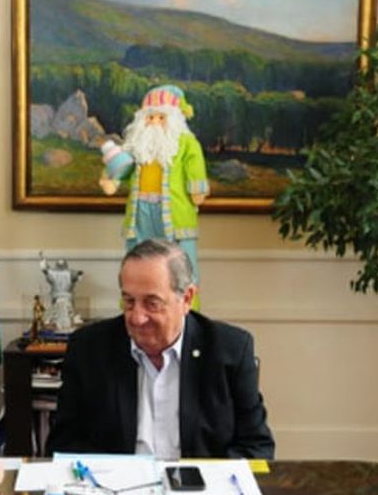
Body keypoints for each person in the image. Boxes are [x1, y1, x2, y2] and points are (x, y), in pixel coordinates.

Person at [49, 238, 273, 460]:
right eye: (129, 301)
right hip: (114, 491)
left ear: (186, 299)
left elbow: (256, 446)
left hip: (199, 491)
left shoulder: (229, 349)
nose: (137, 318)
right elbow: (63, 444)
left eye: (152, 303)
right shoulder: (89, 348)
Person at [99, 84, 209, 294]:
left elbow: (194, 165)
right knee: (138, 256)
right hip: (140, 211)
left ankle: (187, 309)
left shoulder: (186, 143)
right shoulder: (135, 145)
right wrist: (112, 180)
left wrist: (197, 189)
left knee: (180, 261)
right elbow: (122, 163)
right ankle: (133, 299)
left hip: (174, 213)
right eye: (150, 118)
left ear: (174, 120)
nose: (155, 122)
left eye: (161, 117)